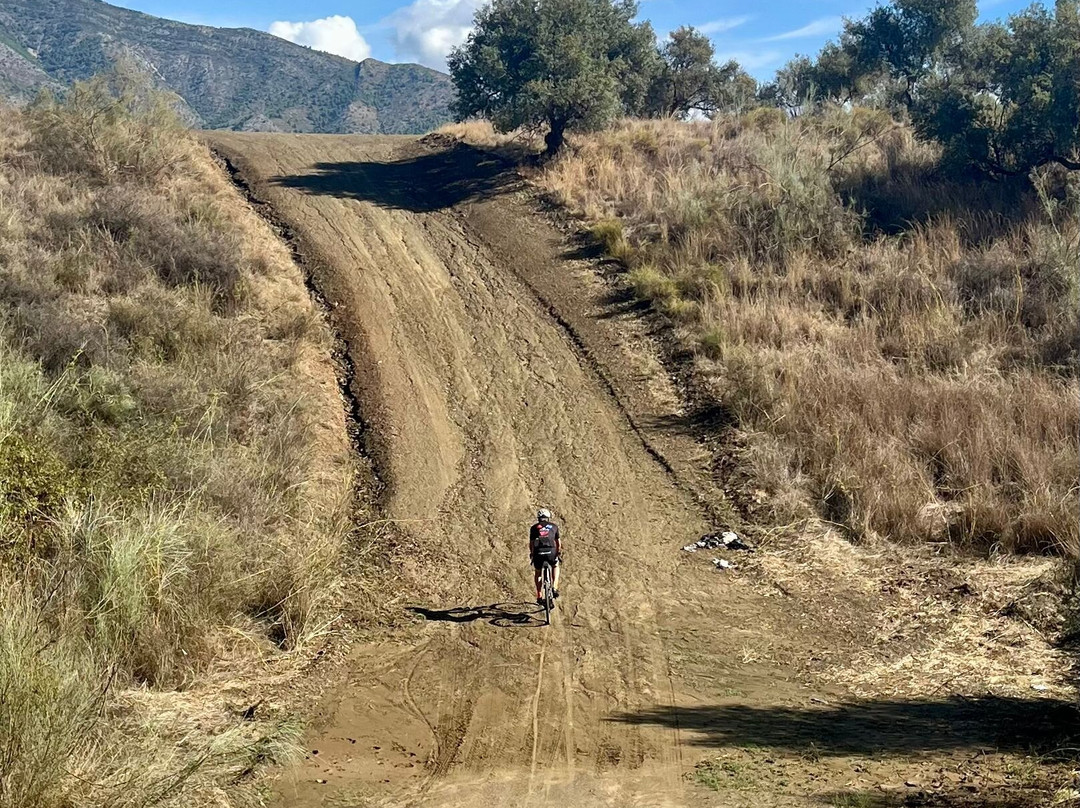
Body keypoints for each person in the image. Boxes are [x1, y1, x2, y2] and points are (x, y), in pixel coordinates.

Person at [529, 508, 561, 605]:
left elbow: (531, 544)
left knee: (538, 572)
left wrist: (532, 554)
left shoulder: (534, 528)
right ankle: (554, 588)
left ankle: (539, 596)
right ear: (548, 518)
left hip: (538, 552)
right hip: (551, 551)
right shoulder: (554, 526)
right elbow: (558, 543)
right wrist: (558, 552)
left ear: (538, 518)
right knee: (555, 565)